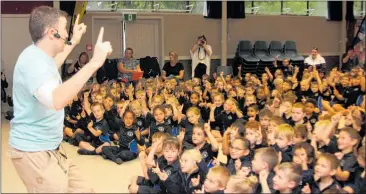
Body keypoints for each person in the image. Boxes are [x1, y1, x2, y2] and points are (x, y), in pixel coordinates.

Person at [8, 6, 112, 193]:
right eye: (65, 29)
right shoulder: (33, 62)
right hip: (34, 152)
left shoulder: (41, 57)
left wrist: (73, 41)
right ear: (52, 33)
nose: (67, 33)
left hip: (52, 149)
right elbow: (56, 100)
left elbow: (53, 66)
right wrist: (95, 62)